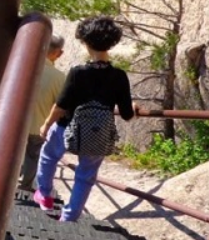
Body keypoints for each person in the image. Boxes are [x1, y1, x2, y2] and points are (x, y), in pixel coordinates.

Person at [34, 16, 137, 223]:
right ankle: (69, 217)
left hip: (66, 128)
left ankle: (44, 195)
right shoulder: (119, 76)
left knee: (48, 156)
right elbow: (126, 114)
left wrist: (46, 124)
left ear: (86, 42)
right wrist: (134, 108)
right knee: (86, 176)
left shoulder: (78, 73)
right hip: (97, 135)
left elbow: (61, 106)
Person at [18, 35, 67, 192]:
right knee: (33, 156)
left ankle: (7, 181)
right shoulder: (59, 78)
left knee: (13, 153)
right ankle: (24, 185)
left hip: (16, 124)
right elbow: (61, 106)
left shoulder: (21, 68)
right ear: (59, 53)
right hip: (39, 125)